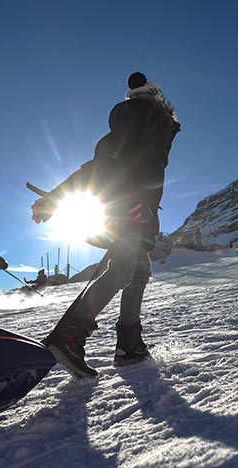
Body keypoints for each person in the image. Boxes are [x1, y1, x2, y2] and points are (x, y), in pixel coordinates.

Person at [30, 72, 180, 377]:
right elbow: (149, 165)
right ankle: (71, 336)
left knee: (138, 270)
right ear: (156, 97)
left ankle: (129, 344)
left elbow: (97, 168)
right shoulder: (152, 119)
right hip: (131, 208)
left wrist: (55, 199)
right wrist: (143, 204)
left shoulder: (126, 124)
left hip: (121, 206)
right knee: (125, 269)